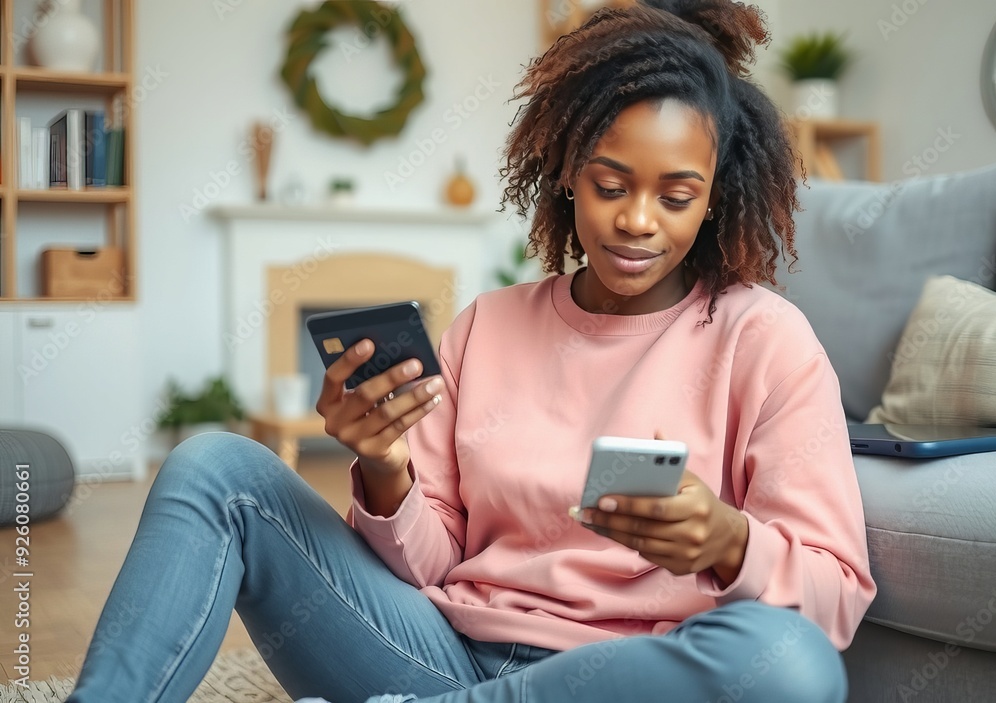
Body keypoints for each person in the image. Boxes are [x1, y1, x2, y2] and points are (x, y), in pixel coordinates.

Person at [68, 1, 876, 701]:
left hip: (622, 679)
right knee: (215, 468)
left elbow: (837, 595)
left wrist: (729, 542)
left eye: (675, 196)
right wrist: (385, 467)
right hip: (436, 652)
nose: (637, 220)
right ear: (565, 171)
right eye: (609, 183)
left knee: (794, 665)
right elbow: (430, 562)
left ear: (713, 199)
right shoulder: (489, 325)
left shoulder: (763, 339)